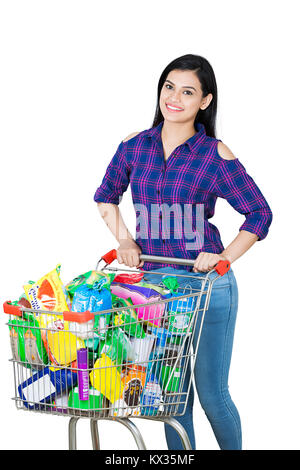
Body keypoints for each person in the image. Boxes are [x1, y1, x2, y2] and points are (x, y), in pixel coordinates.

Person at [93, 54, 273, 450]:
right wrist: (125, 240)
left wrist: (223, 256)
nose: (174, 98)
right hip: (153, 290)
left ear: (205, 101)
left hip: (207, 287)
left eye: (188, 91)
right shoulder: (133, 146)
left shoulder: (214, 153)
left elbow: (259, 213)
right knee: (169, 396)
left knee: (212, 395)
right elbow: (106, 197)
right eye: (169, 87)